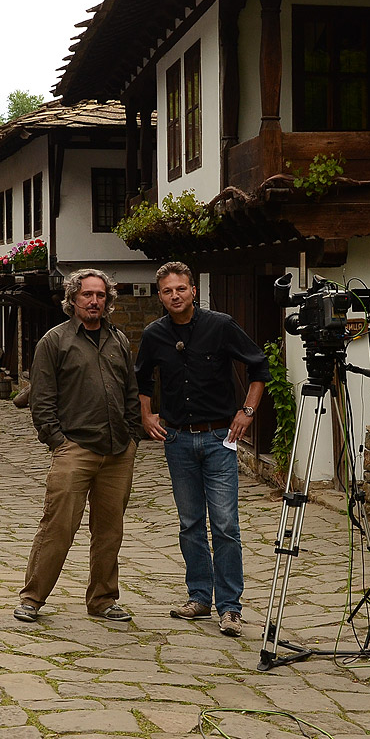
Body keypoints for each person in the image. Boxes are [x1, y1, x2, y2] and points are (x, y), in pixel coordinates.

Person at [135, 261, 269, 637]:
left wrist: (247, 412)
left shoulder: (221, 325)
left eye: (181, 288)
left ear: (193, 290)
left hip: (218, 439)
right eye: (167, 291)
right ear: (160, 296)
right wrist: (147, 416)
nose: (175, 296)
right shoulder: (154, 334)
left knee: (225, 524)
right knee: (190, 523)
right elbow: (143, 378)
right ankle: (199, 597)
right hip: (177, 440)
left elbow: (259, 367)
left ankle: (230, 608)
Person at [14, 268, 142, 623]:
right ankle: (32, 598)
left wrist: (132, 436)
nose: (94, 301)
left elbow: (131, 392)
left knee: (109, 531)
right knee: (57, 527)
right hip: (75, 449)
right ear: (72, 299)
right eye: (87, 295)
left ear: (108, 300)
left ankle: (102, 599)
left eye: (101, 296)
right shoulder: (54, 342)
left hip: (118, 452)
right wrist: (57, 441)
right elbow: (41, 399)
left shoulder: (118, 340)